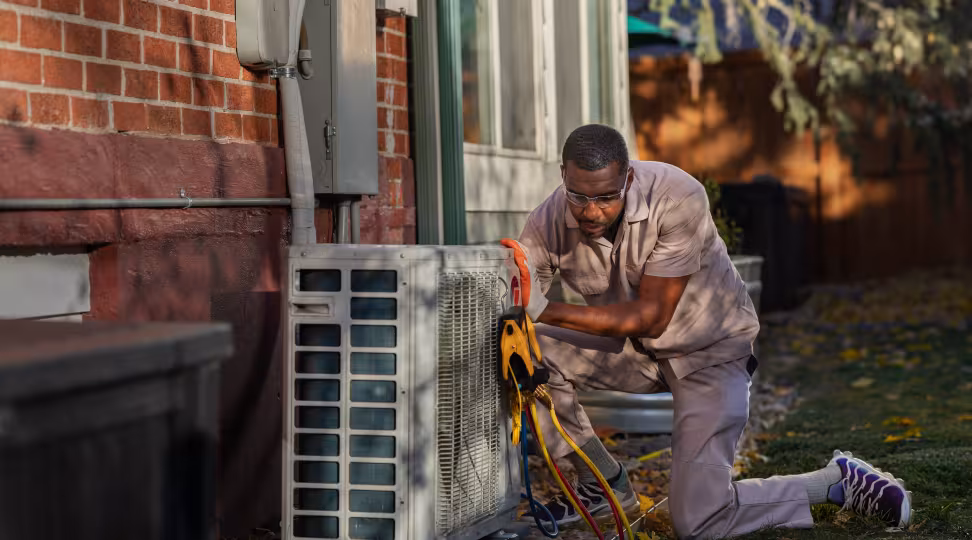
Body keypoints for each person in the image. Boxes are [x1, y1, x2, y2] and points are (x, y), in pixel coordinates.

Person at [504, 124, 912, 539]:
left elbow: (651, 317)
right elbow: (516, 289)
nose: (591, 211)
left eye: (607, 197)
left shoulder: (677, 196)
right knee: (526, 353)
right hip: (635, 354)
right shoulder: (551, 216)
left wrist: (545, 308)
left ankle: (834, 483)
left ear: (628, 178)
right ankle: (603, 483)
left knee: (697, 522)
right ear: (563, 176)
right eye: (579, 196)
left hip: (710, 354)